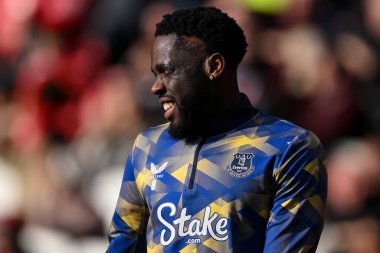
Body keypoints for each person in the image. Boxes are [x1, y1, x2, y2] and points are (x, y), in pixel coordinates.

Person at [107, 6, 327, 253]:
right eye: (155, 74)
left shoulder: (290, 148)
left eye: (168, 71)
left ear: (214, 66)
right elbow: (122, 246)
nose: (156, 87)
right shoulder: (147, 146)